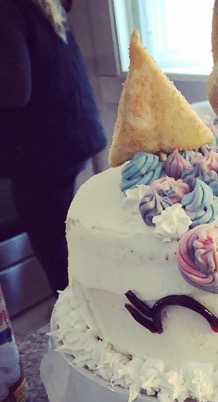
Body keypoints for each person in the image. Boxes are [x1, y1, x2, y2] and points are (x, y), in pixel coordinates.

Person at [0, 0, 107, 294]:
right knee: (64, 239)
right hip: (68, 137)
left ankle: (78, 311)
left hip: (42, 151)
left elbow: (14, 89)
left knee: (56, 248)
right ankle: (85, 306)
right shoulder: (37, 5)